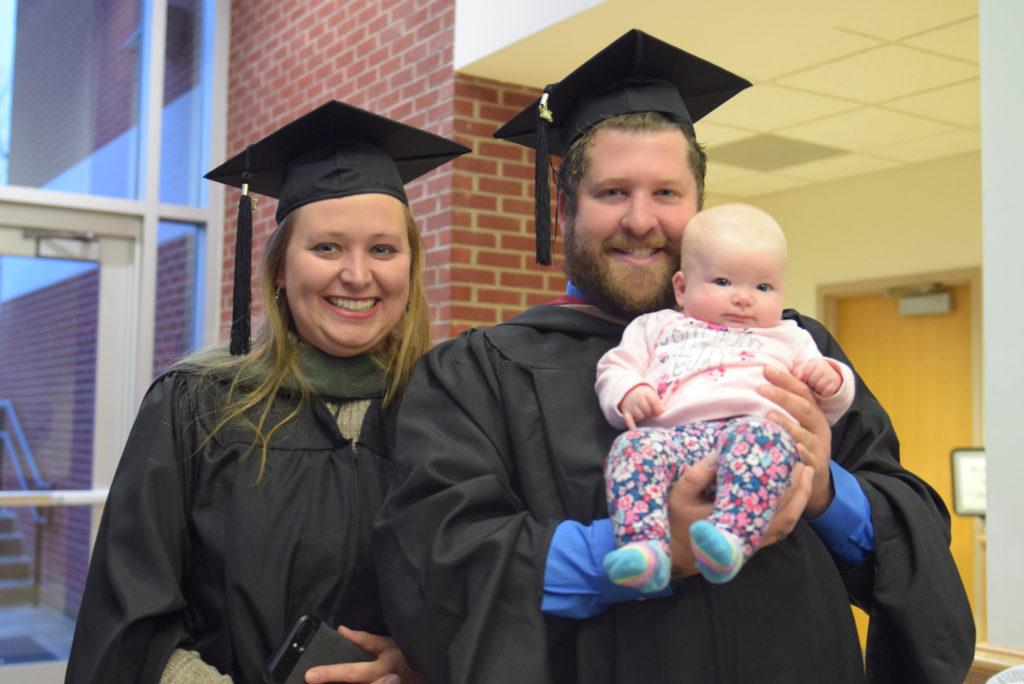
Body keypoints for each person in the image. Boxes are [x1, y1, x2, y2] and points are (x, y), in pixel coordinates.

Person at [374, 29, 975, 683]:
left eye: (666, 194)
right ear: (565, 203)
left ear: (699, 209)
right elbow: (442, 560)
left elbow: (908, 523)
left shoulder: (792, 349)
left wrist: (827, 489)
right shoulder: (478, 374)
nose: (640, 219)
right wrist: (647, 548)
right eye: (612, 193)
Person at [65, 101, 467, 683]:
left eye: (383, 249)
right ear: (279, 268)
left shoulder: (448, 412)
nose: (357, 275)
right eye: (327, 247)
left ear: (410, 266)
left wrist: (426, 662)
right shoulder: (197, 405)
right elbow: (129, 619)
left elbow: (488, 596)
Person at [597, 203, 855, 590]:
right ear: (682, 289)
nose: (744, 298)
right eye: (723, 282)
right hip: (677, 441)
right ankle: (645, 549)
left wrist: (831, 378)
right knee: (633, 448)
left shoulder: (791, 336)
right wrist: (629, 391)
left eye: (763, 287)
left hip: (751, 441)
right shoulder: (657, 326)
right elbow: (615, 367)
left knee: (766, 440)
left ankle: (730, 540)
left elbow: (830, 404)